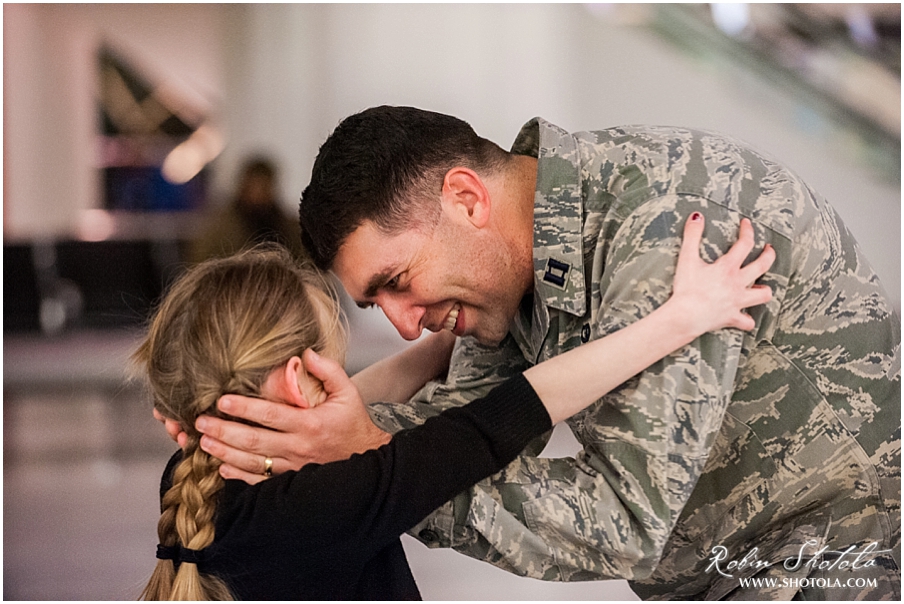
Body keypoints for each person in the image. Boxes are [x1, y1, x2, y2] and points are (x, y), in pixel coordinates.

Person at [182, 107, 900, 599]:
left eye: (397, 282)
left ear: (465, 199)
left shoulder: (657, 229)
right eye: (377, 305)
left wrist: (365, 464)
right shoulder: (512, 271)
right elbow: (460, 430)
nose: (406, 327)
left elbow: (626, 520)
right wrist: (281, 431)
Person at [138, 227, 772, 600]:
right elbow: (504, 417)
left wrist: (451, 336)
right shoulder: (337, 494)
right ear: (299, 379)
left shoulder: (188, 475)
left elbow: (361, 401)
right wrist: (685, 316)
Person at [190, 156, 306, 263]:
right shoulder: (220, 227)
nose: (257, 194)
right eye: (253, 186)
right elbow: (201, 264)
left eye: (263, 187)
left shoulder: (289, 228)